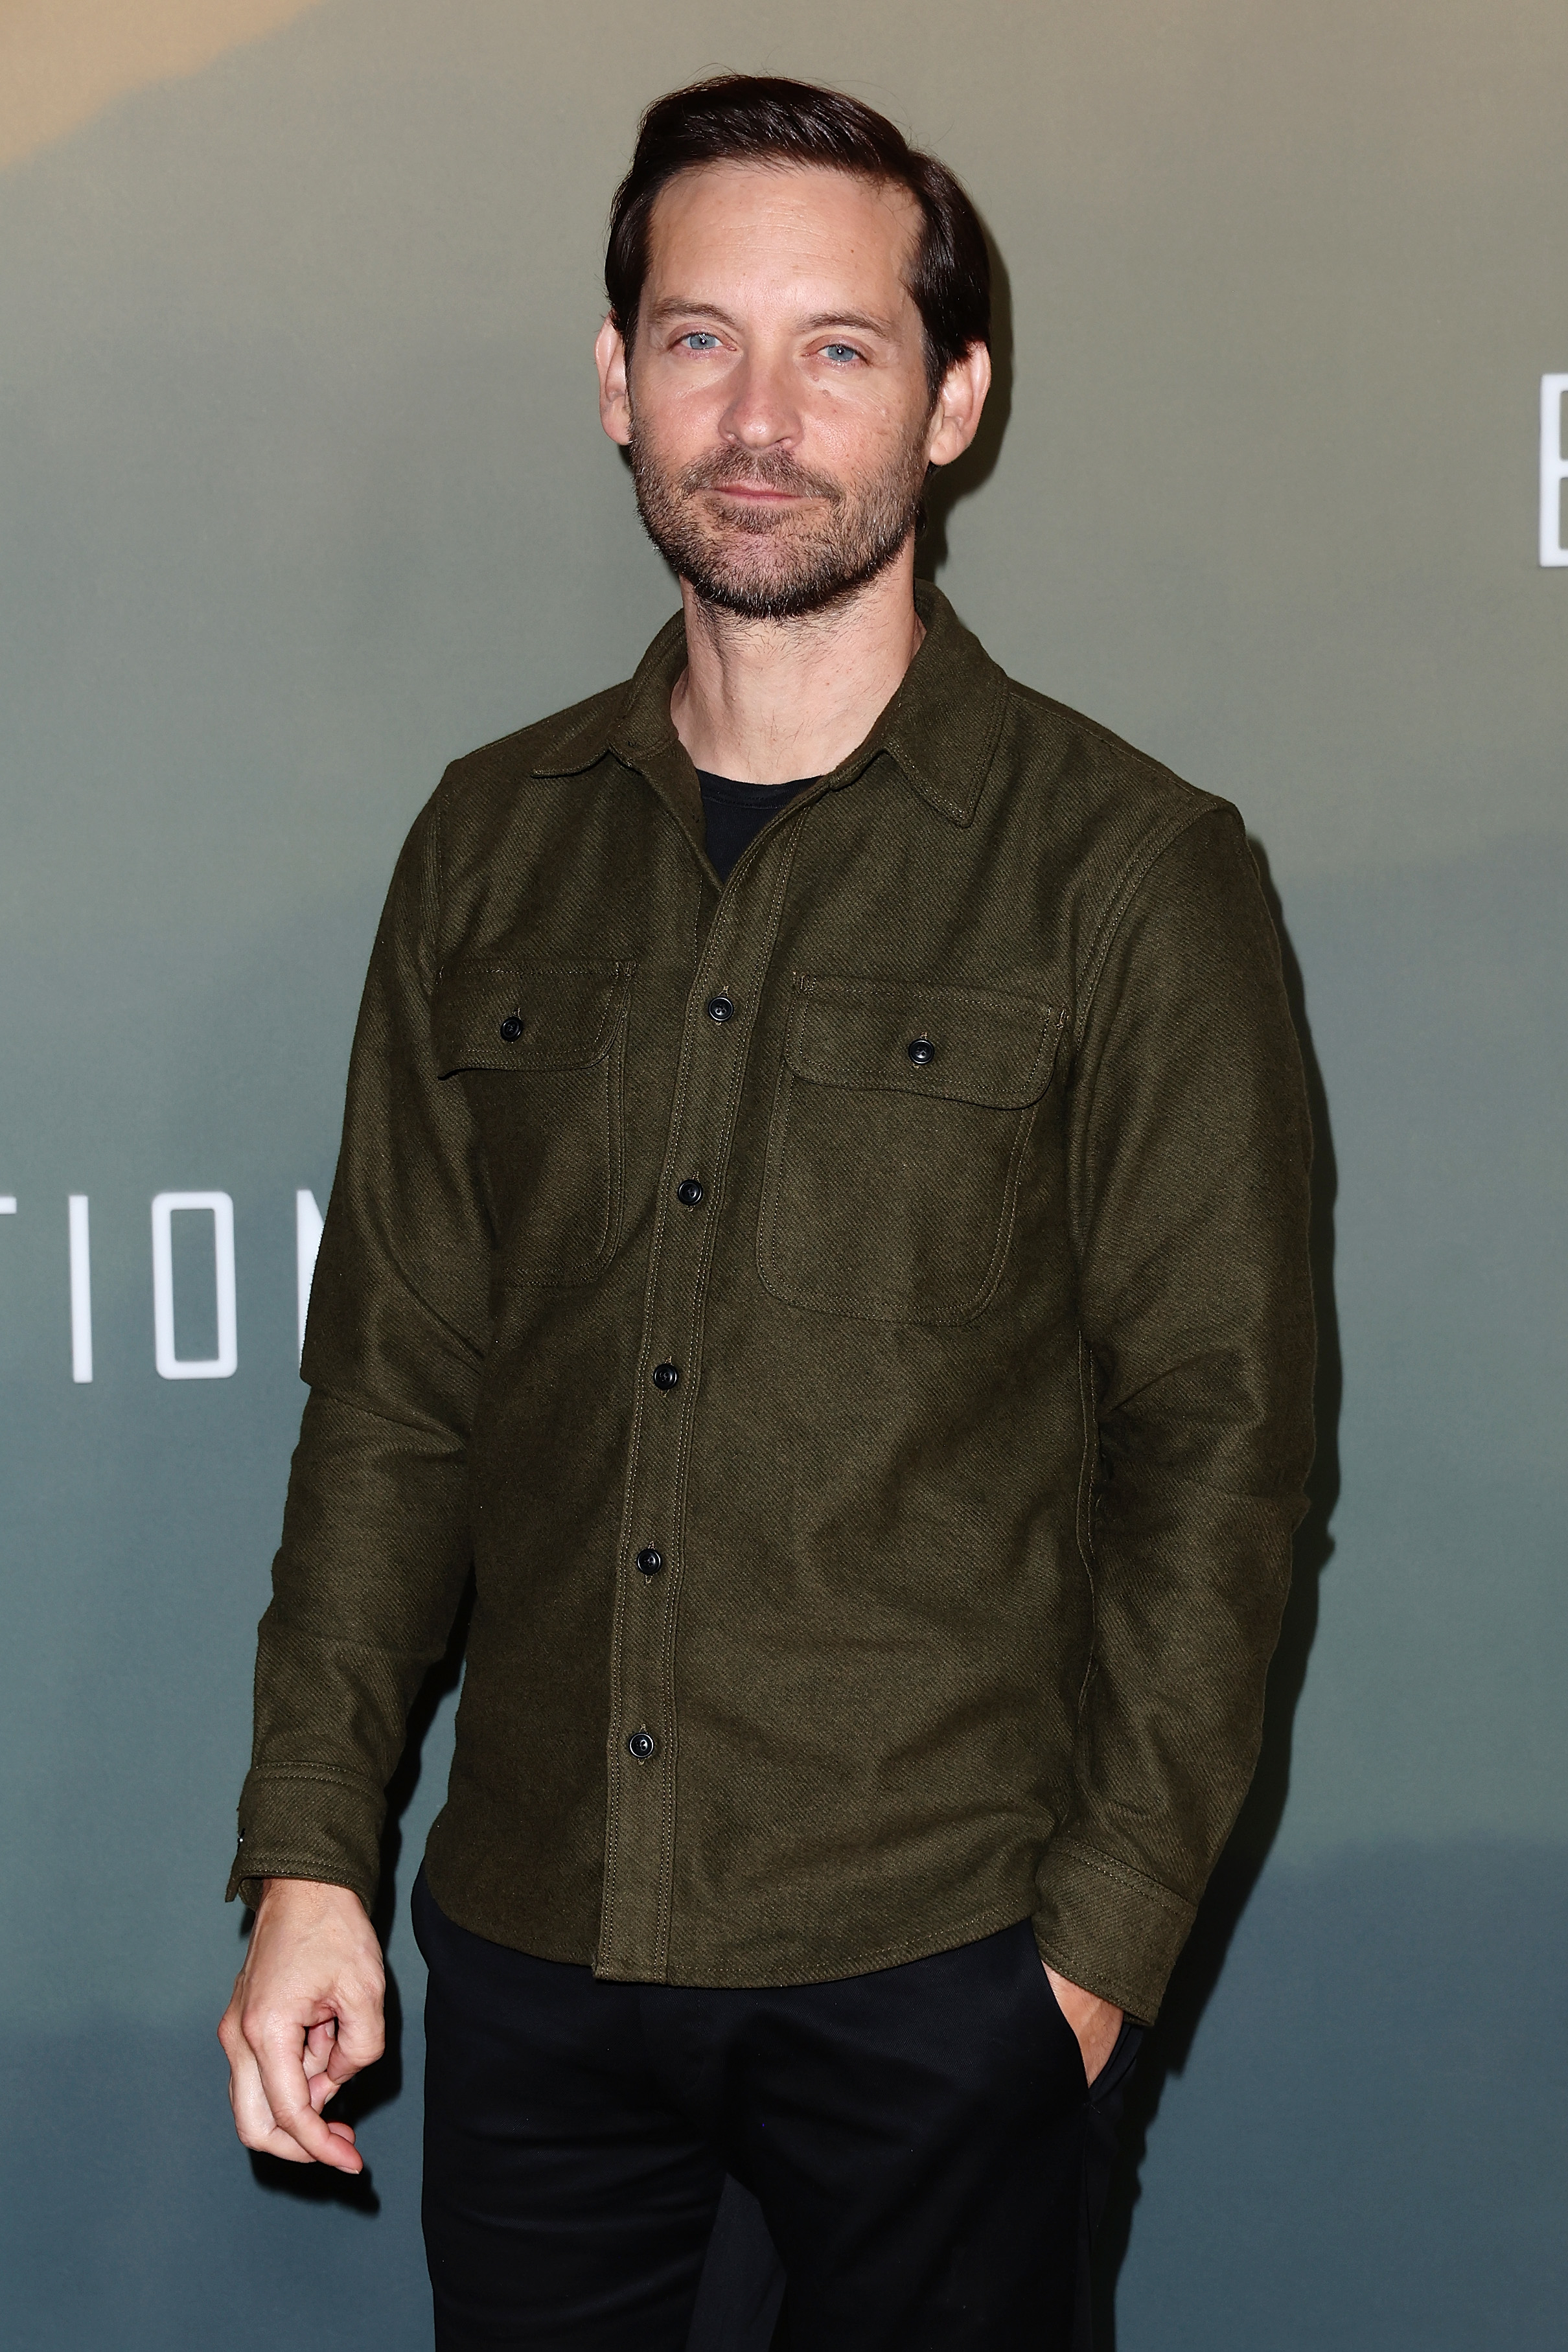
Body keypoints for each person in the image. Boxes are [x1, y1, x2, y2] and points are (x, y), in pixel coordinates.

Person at [218, 73, 1314, 2351]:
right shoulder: (485, 844)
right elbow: (394, 1401)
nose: (760, 414)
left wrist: (1087, 1966)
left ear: (955, 399)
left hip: (940, 1975)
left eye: (838, 347)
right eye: (700, 338)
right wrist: (316, 1859)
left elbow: (1219, 1460)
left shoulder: (1129, 873)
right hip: (533, 1963)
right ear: (615, 381)